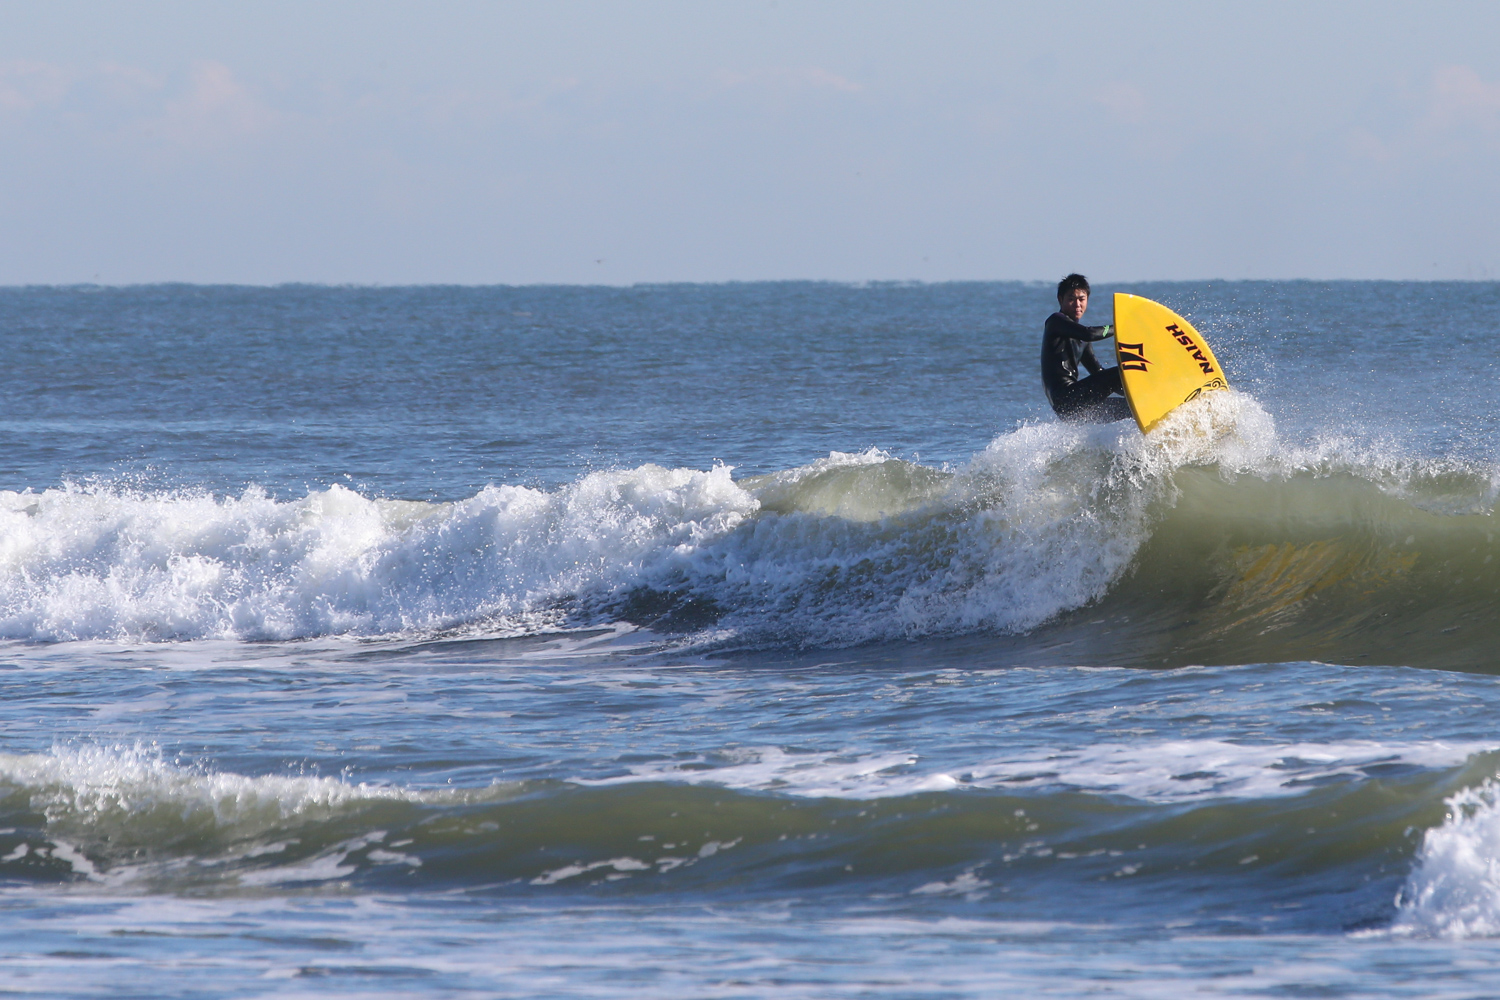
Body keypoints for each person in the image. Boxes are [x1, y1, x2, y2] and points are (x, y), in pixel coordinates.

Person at [1040, 273, 1132, 423]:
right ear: (1060, 299)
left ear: (1087, 300)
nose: (1077, 304)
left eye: (1081, 299)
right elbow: (1089, 333)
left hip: (1075, 407)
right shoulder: (1055, 321)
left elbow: (1097, 371)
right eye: (1071, 299)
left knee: (1130, 407)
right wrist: (1120, 327)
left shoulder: (1082, 339)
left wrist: (1131, 393)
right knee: (1124, 370)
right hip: (1066, 399)